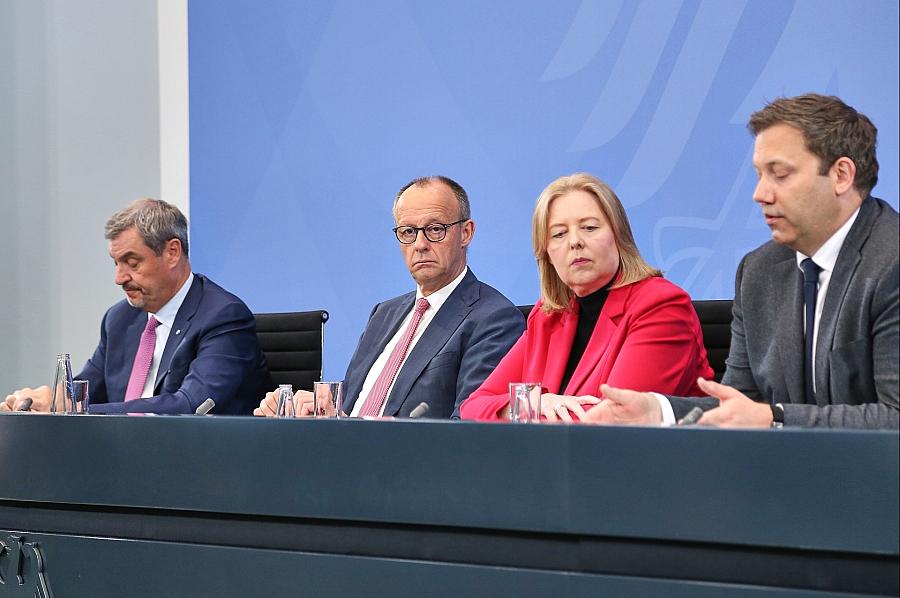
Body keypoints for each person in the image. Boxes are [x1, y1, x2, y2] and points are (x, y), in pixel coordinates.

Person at [594, 94, 899, 429]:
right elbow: (740, 403)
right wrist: (660, 411)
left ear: (841, 175)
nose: (760, 194)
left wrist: (775, 418)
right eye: (759, 175)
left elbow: (895, 415)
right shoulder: (759, 271)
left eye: (780, 174)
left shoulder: (891, 261)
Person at [254, 176, 525, 419]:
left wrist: (387, 436)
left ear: (466, 233)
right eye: (408, 232)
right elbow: (351, 410)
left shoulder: (494, 318)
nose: (420, 244)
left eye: (435, 229)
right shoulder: (384, 313)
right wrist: (322, 412)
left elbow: (470, 426)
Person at [459, 173, 713, 422]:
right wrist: (535, 403)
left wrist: (523, 410)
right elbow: (474, 406)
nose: (575, 242)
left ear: (619, 236)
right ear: (545, 253)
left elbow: (612, 420)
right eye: (559, 234)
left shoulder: (660, 305)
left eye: (589, 228)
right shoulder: (548, 315)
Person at [2, 198, 271, 415]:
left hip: (201, 467)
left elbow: (189, 406)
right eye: (116, 263)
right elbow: (84, 392)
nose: (119, 278)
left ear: (172, 252)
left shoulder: (223, 317)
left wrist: (76, 410)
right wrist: (44, 403)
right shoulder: (119, 319)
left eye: (132, 262)